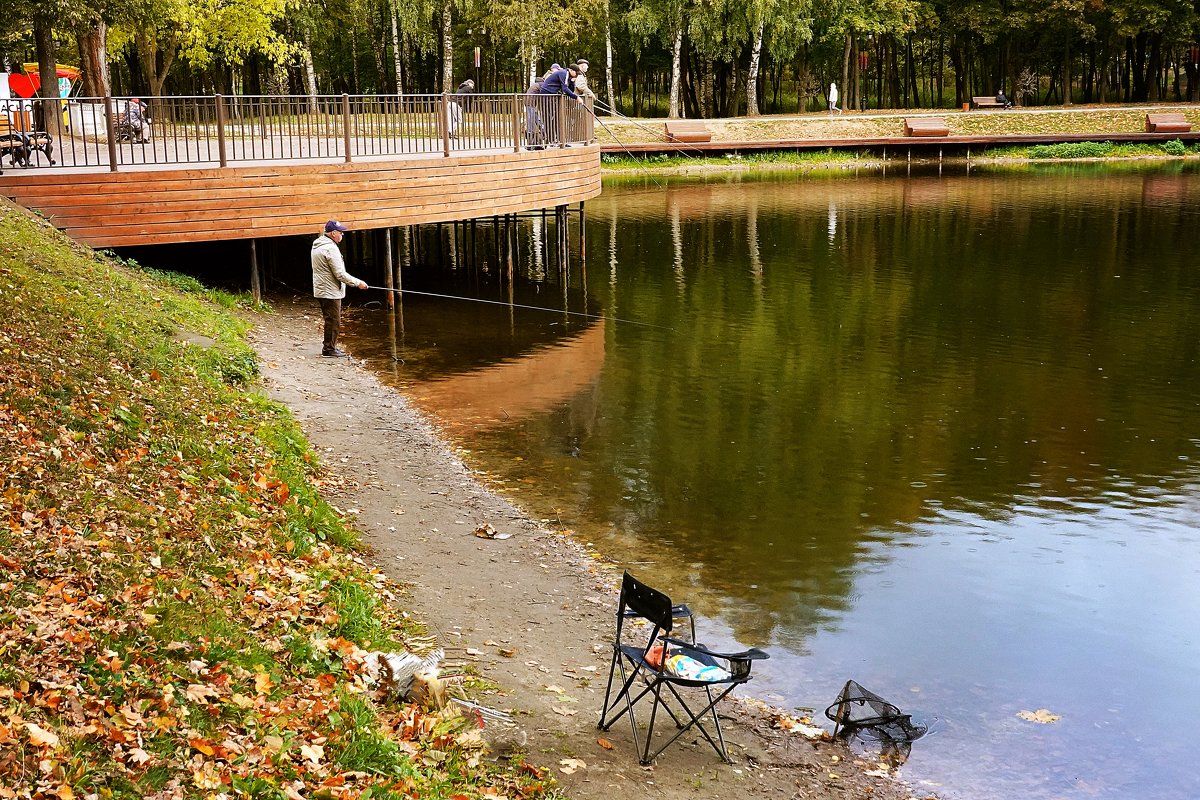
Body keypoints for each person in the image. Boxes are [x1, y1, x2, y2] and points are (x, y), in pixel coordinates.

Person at [311, 220, 367, 358]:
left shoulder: (318, 244)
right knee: (333, 321)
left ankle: (329, 347)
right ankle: (329, 349)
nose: (342, 234)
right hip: (330, 291)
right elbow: (340, 274)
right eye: (340, 232)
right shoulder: (330, 248)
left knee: (330, 319)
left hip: (321, 288)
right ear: (333, 233)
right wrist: (357, 283)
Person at [536, 63, 582, 144]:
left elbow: (570, 89)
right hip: (547, 96)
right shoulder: (563, 73)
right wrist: (576, 97)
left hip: (553, 97)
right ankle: (550, 140)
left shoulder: (568, 76)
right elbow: (565, 89)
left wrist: (572, 82)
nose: (577, 75)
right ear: (571, 70)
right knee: (548, 119)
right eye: (576, 73)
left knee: (557, 118)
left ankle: (559, 140)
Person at [524, 75, 546, 148]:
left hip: (529, 103)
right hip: (531, 103)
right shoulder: (541, 84)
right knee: (532, 120)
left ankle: (541, 131)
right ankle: (541, 133)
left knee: (534, 119)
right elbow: (544, 92)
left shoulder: (535, 85)